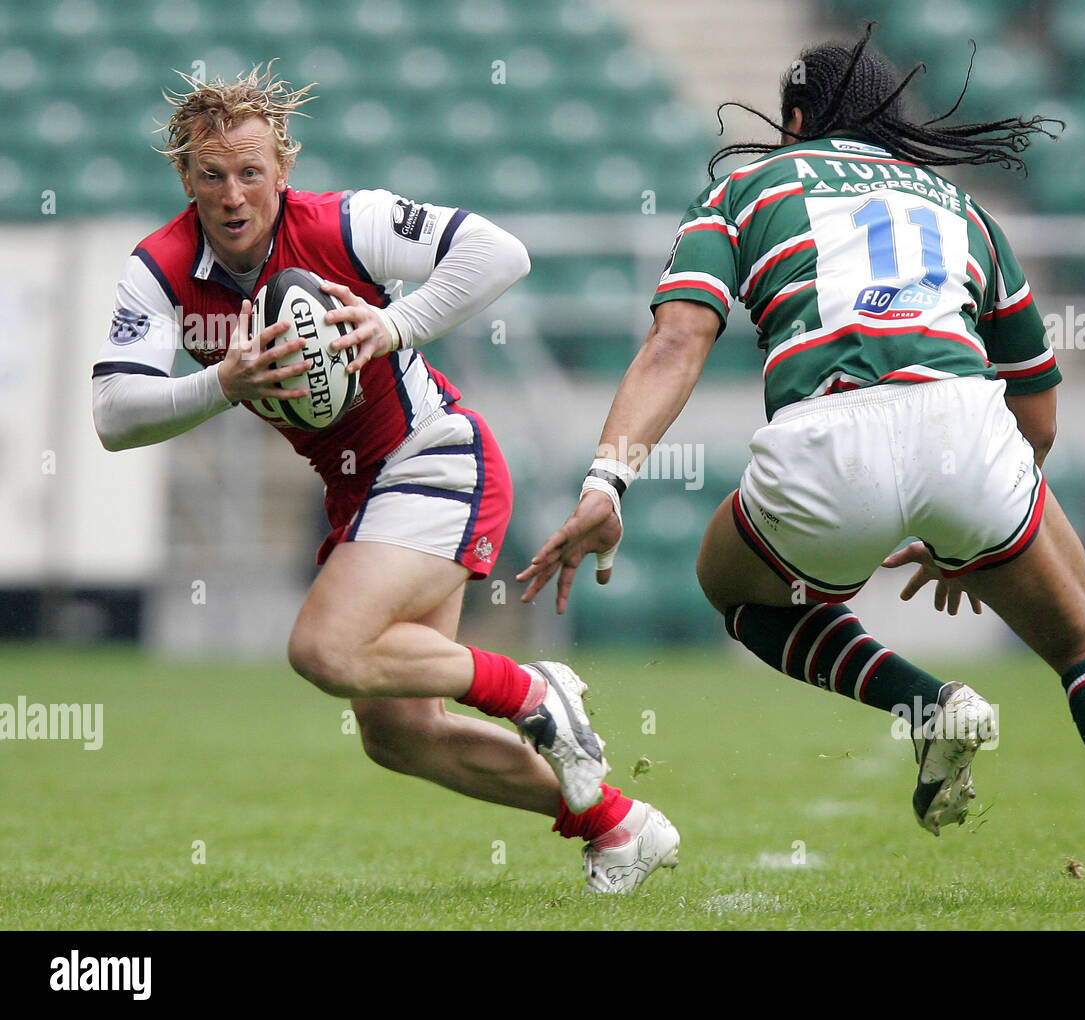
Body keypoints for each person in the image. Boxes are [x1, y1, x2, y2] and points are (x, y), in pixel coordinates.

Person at [520, 29, 1085, 906]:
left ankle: (924, 703)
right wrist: (975, 531)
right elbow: (1038, 410)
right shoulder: (963, 208)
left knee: (737, 593)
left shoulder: (744, 188)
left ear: (794, 119)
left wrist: (607, 482)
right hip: (969, 428)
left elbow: (677, 343)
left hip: (828, 441)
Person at [91, 63, 678, 894]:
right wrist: (223, 382)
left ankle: (534, 689)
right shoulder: (159, 268)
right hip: (358, 490)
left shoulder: (342, 223)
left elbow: (499, 253)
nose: (232, 195)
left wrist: (394, 323)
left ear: (283, 171)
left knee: (326, 649)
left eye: (251, 172)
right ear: (184, 176)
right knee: (400, 734)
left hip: (433, 456)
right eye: (211, 174)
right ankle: (617, 825)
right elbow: (114, 413)